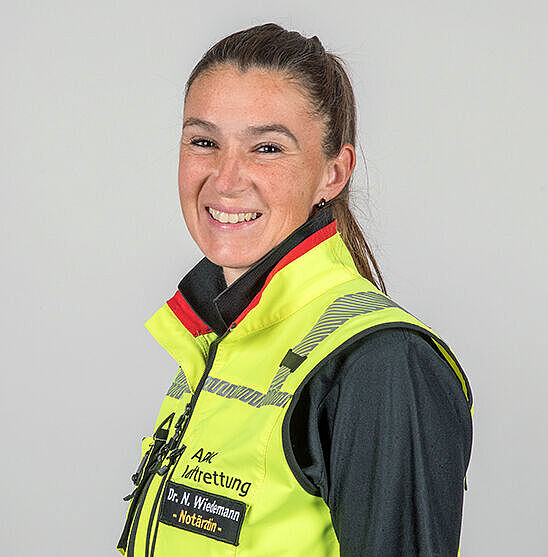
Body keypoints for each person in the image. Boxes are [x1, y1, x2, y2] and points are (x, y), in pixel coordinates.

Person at [116, 22, 473, 557]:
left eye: (267, 148)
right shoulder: (219, 341)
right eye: (204, 142)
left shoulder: (381, 363)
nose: (226, 178)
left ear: (334, 172)